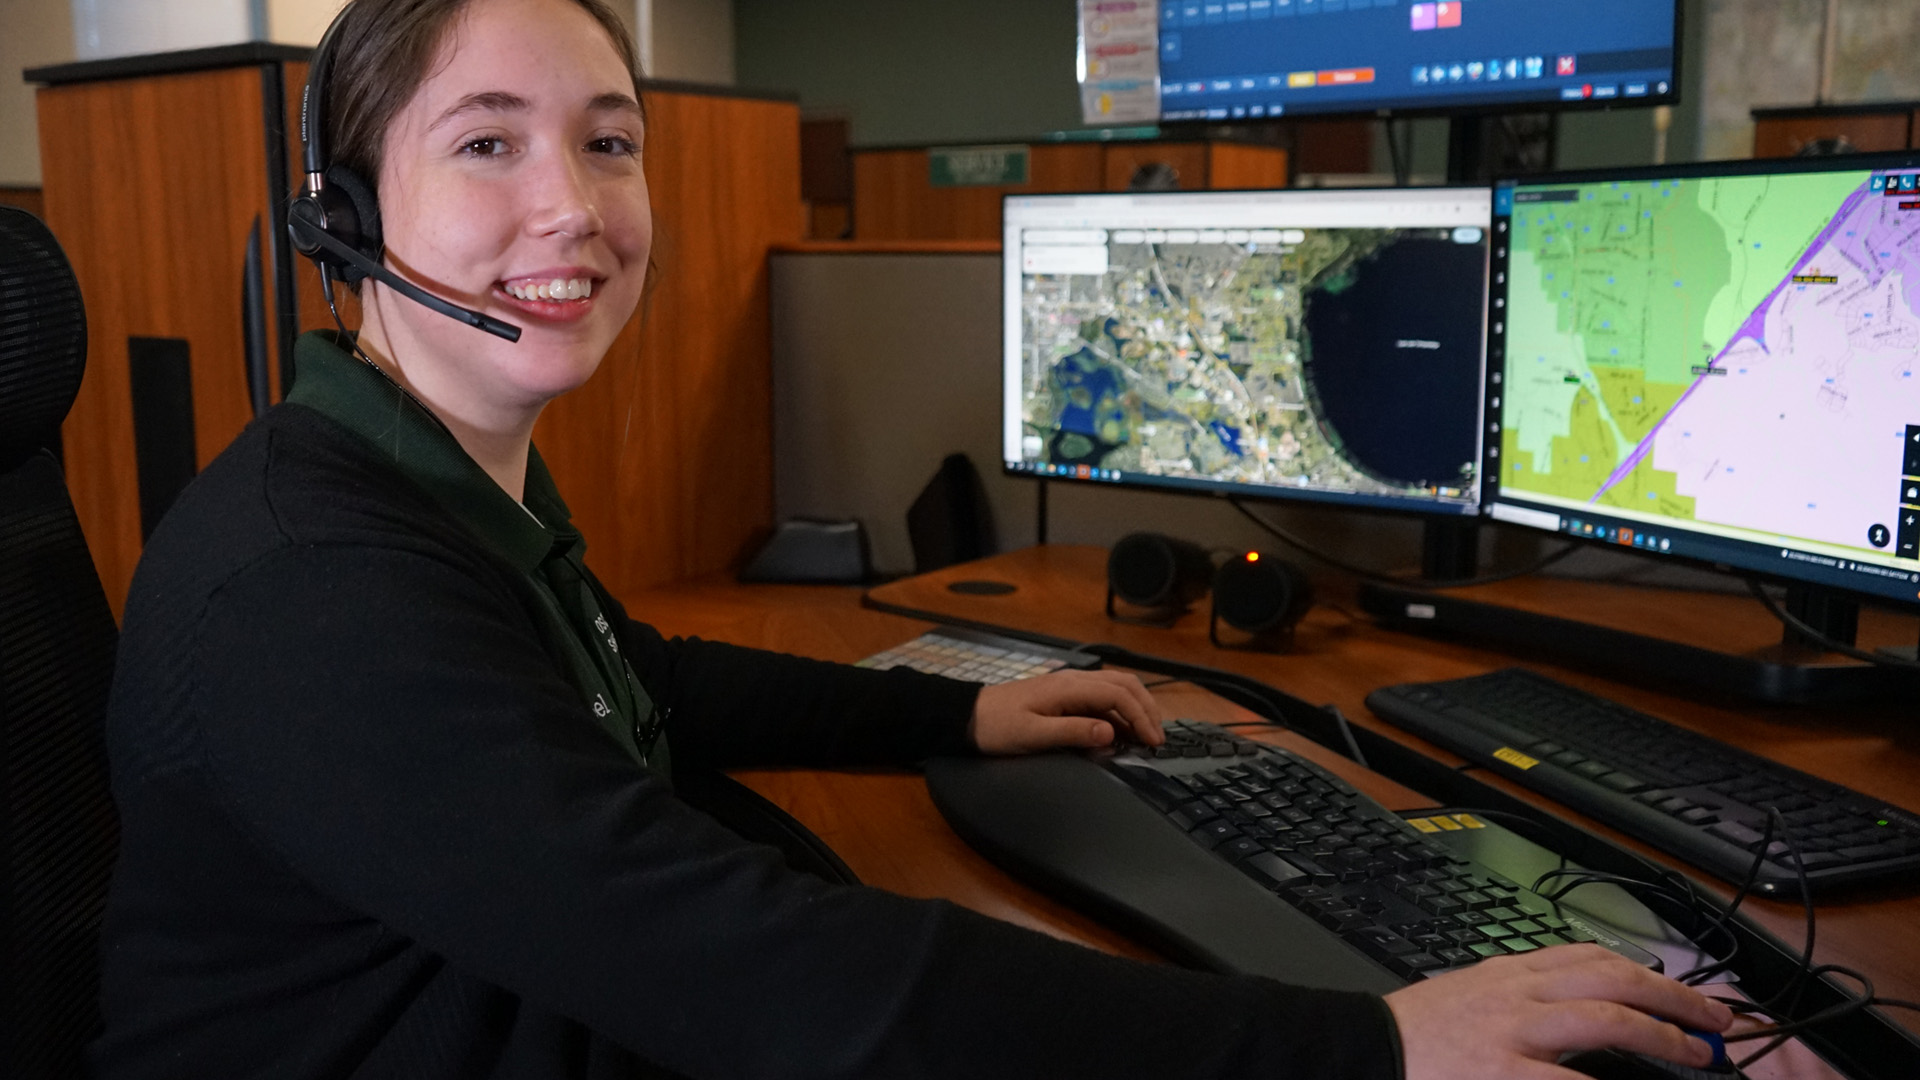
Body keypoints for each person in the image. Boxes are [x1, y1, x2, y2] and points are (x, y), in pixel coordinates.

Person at [93, 0, 1734, 1077]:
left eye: (609, 139)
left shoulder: (420, 481)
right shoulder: (315, 589)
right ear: (345, 211)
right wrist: (1367, 1046)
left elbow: (626, 675)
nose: (575, 207)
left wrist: (949, 713)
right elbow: (743, 967)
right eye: (486, 142)